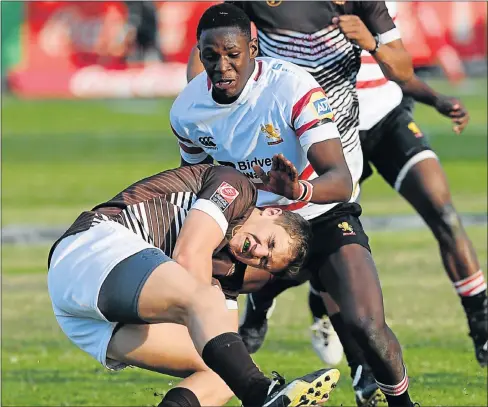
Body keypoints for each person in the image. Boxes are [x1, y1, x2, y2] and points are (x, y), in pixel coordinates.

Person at [175, 4, 418, 407]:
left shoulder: (291, 86)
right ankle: (238, 382)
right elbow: (194, 186)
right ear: (198, 54)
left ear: (254, 48)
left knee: (367, 326)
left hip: (321, 214)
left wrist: (298, 190)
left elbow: (340, 181)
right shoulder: (186, 110)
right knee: (199, 324)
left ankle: (402, 403)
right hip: (254, 229)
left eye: (233, 55)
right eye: (211, 57)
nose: (223, 67)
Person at [47, 163, 340, 407]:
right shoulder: (237, 188)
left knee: (226, 372)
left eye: (265, 262)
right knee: (232, 355)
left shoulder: (227, 273)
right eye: (271, 242)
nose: (259, 253)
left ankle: (259, 393)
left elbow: (224, 339)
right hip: (90, 251)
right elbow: (188, 253)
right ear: (272, 213)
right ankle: (259, 394)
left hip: (83, 318)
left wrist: (235, 361)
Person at [310, 1, 488, 369]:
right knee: (322, 238)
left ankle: (482, 326)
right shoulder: (294, 11)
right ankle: (282, 313)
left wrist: (434, 98)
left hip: (388, 116)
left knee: (443, 210)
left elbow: (401, 64)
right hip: (334, 131)